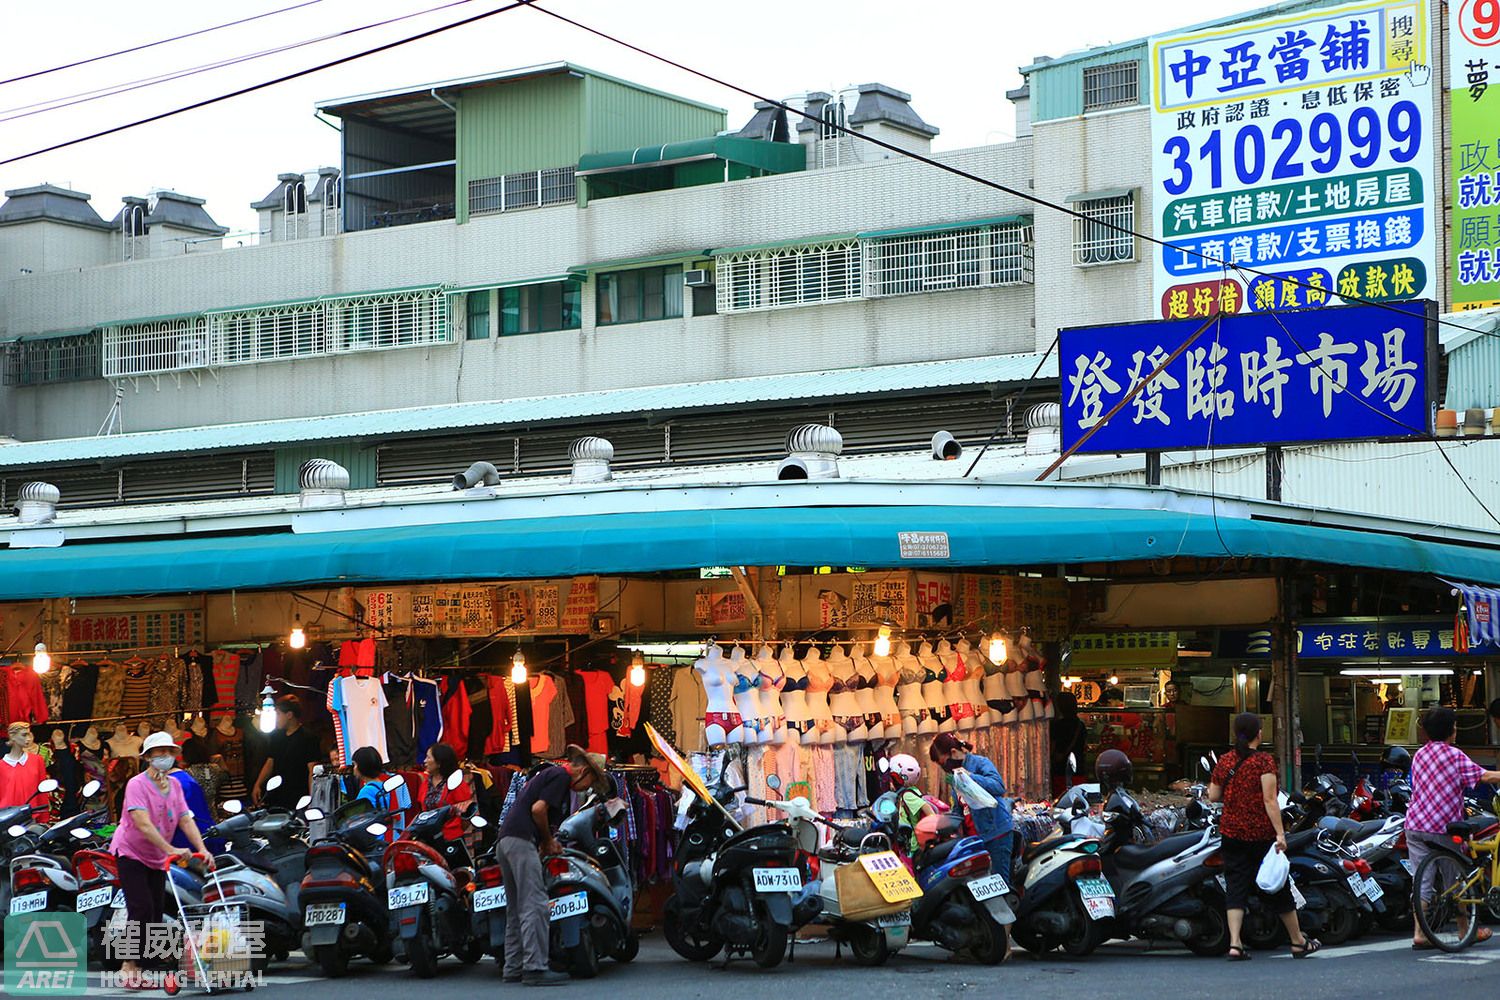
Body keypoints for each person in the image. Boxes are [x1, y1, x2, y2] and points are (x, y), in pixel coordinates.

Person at [494, 744, 610, 987]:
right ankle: (535, 968)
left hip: (506, 841)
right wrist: (547, 841)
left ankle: (513, 967)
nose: (586, 789)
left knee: (515, 908)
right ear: (583, 771)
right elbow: (538, 810)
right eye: (589, 783)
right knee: (534, 904)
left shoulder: (549, 775)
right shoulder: (560, 776)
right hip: (521, 840)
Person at [1206, 712, 1318, 960]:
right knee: (1278, 886)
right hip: (1260, 834)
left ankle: (1235, 944)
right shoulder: (1264, 762)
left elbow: (1213, 796)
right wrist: (1280, 833)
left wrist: (1234, 796)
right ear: (1259, 733)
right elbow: (1270, 800)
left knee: (1235, 887)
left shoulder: (1225, 761)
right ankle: (1297, 941)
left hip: (1231, 832)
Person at [110, 732, 214, 987]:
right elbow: (143, 824)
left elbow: (185, 819)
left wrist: (202, 849)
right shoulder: (136, 784)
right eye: (159, 753)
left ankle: (140, 968)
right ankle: (127, 966)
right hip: (132, 853)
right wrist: (171, 849)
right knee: (141, 908)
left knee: (156, 912)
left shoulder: (175, 785)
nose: (165, 757)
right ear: (147, 757)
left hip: (157, 857)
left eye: (169, 752)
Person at [1407, 706, 1500, 949]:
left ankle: (1419, 933)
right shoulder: (1454, 755)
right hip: (1442, 827)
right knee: (1455, 880)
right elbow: (1485, 777)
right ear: (1452, 730)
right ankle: (1463, 930)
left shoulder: (1419, 755)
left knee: (1421, 880)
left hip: (1415, 824)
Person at [929, 731, 1014, 881]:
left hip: (996, 834)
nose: (944, 768)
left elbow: (999, 787)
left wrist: (970, 777)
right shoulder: (954, 775)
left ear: (953, 752)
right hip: (974, 840)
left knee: (999, 883)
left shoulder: (980, 763)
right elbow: (959, 808)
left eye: (943, 763)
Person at [252, 696, 319, 810]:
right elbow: (270, 762)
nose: (276, 718)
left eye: (278, 714)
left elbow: (312, 770)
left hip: (298, 795)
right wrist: (257, 784)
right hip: (277, 794)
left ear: (289, 715)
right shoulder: (276, 736)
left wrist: (313, 798)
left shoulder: (308, 737)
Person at [417, 743, 475, 868]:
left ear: (439, 763)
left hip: (450, 840)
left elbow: (466, 812)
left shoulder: (455, 783)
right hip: (430, 841)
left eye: (428, 758)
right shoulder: (426, 782)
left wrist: (454, 830)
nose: (424, 761)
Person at [350, 746, 413, 842]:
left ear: (361, 766)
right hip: (390, 836)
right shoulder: (386, 785)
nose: (353, 769)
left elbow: (361, 821)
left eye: (354, 765)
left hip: (375, 841)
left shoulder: (367, 791)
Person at [886, 753, 936, 856]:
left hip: (912, 845)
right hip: (908, 841)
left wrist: (934, 825)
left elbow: (926, 807)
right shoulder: (912, 790)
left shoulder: (907, 795)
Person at [0, 721, 50, 816]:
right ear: (12, 736)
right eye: (24, 735)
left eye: (29, 734)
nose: (28, 739)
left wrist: (44, 818)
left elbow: (42, 793)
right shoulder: (1, 766)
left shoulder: (37, 760)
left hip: (32, 816)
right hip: (7, 818)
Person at [1049, 692, 1088, 796]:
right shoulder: (1081, 725)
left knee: (1061, 798)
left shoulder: (1056, 726)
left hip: (1060, 768)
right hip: (1078, 767)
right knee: (1078, 799)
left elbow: (1052, 747)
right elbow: (1084, 746)